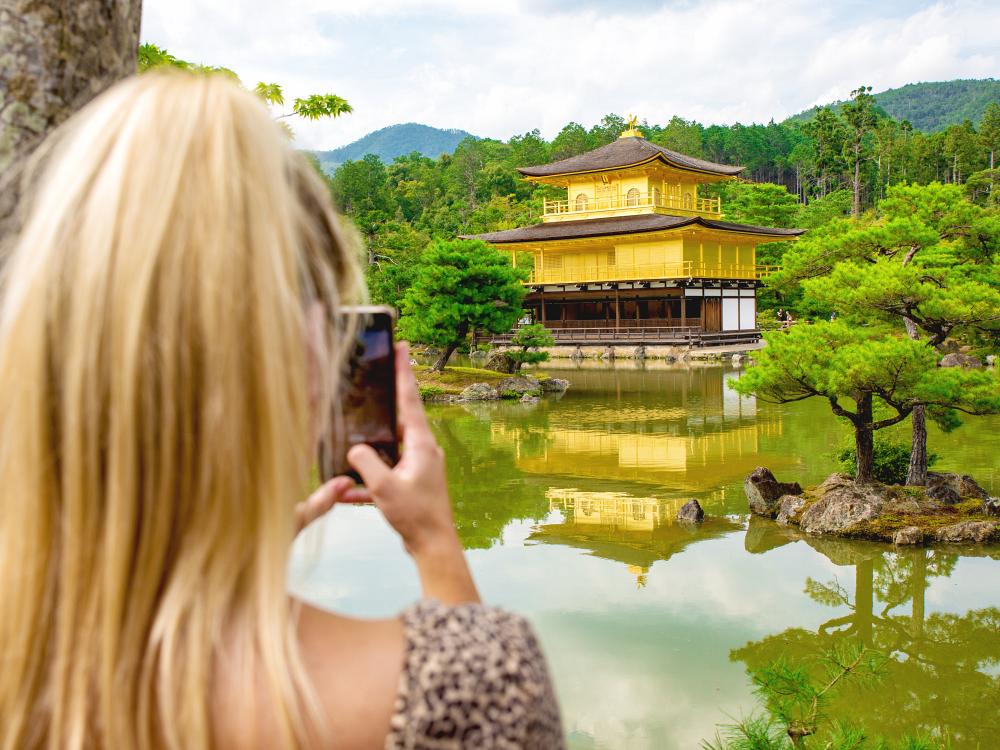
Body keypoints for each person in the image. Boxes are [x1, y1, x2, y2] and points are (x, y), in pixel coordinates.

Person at [0, 72, 563, 750]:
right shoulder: (467, 687)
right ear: (306, 365)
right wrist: (436, 542)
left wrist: (222, 554)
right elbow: (480, 709)